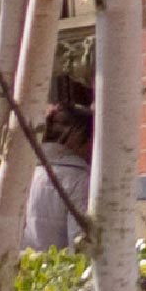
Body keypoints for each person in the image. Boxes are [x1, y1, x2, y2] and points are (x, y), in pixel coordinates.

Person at [21, 81, 92, 253]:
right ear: (78, 137)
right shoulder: (78, 179)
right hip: (58, 277)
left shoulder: (23, 174)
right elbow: (80, 247)